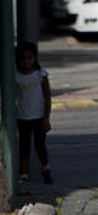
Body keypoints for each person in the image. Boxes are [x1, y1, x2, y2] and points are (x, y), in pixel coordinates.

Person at [15, 42, 52, 184]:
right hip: (22, 116)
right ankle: (24, 175)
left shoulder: (41, 75)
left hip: (38, 116)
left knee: (40, 145)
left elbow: (47, 96)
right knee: (24, 147)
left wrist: (47, 118)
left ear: (35, 58)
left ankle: (46, 169)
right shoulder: (15, 75)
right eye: (23, 58)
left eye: (29, 58)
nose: (26, 62)